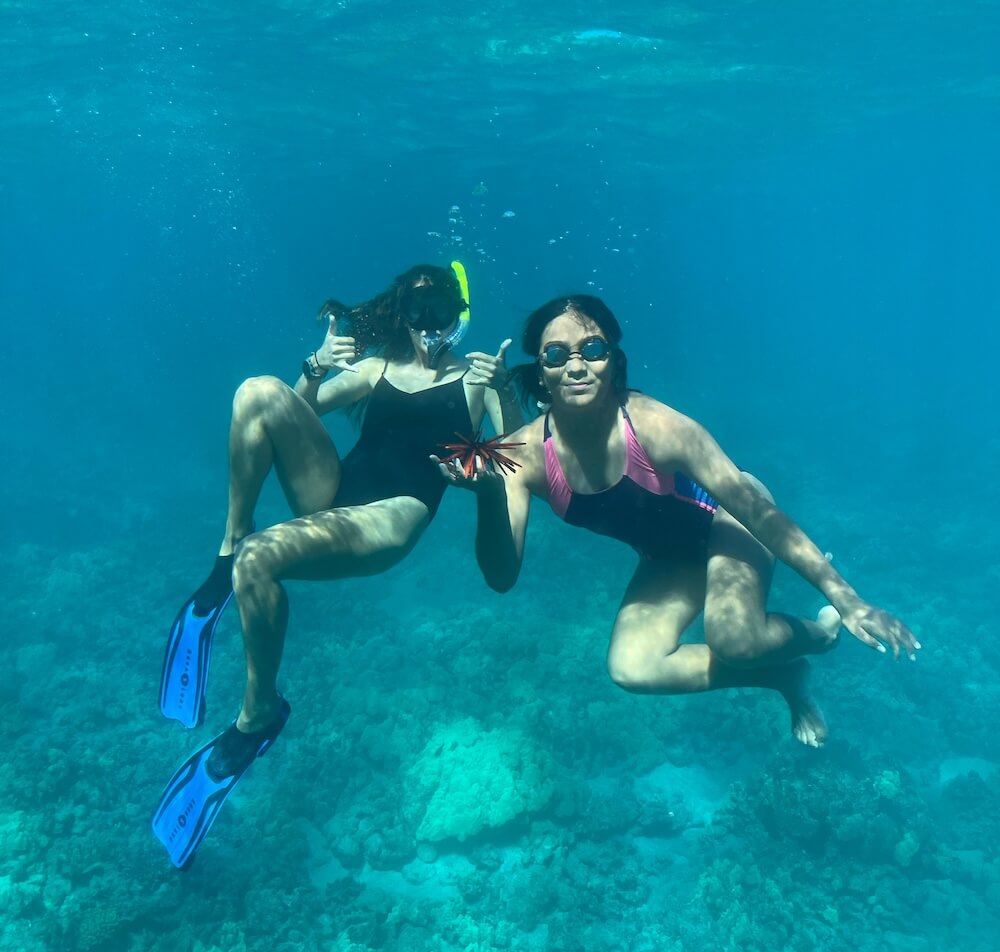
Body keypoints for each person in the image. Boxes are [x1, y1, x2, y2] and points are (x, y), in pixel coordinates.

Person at [153, 262, 518, 869]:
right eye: (419, 314)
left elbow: (515, 461)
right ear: (402, 317)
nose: (430, 328)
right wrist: (315, 366)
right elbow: (278, 421)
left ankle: (257, 717)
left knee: (261, 561)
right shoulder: (375, 370)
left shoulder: (475, 380)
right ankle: (226, 550)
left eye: (442, 314)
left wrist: (503, 393)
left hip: (395, 515)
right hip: (336, 492)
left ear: (460, 314)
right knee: (255, 390)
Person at [436, 294, 920, 751]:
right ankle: (782, 674)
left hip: (729, 521)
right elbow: (501, 578)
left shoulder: (655, 425)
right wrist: (484, 496)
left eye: (593, 349)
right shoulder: (520, 456)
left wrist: (849, 601)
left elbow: (758, 512)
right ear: (540, 373)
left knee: (735, 640)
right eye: (557, 354)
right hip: (668, 557)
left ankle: (823, 635)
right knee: (632, 667)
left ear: (614, 360)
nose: (577, 366)